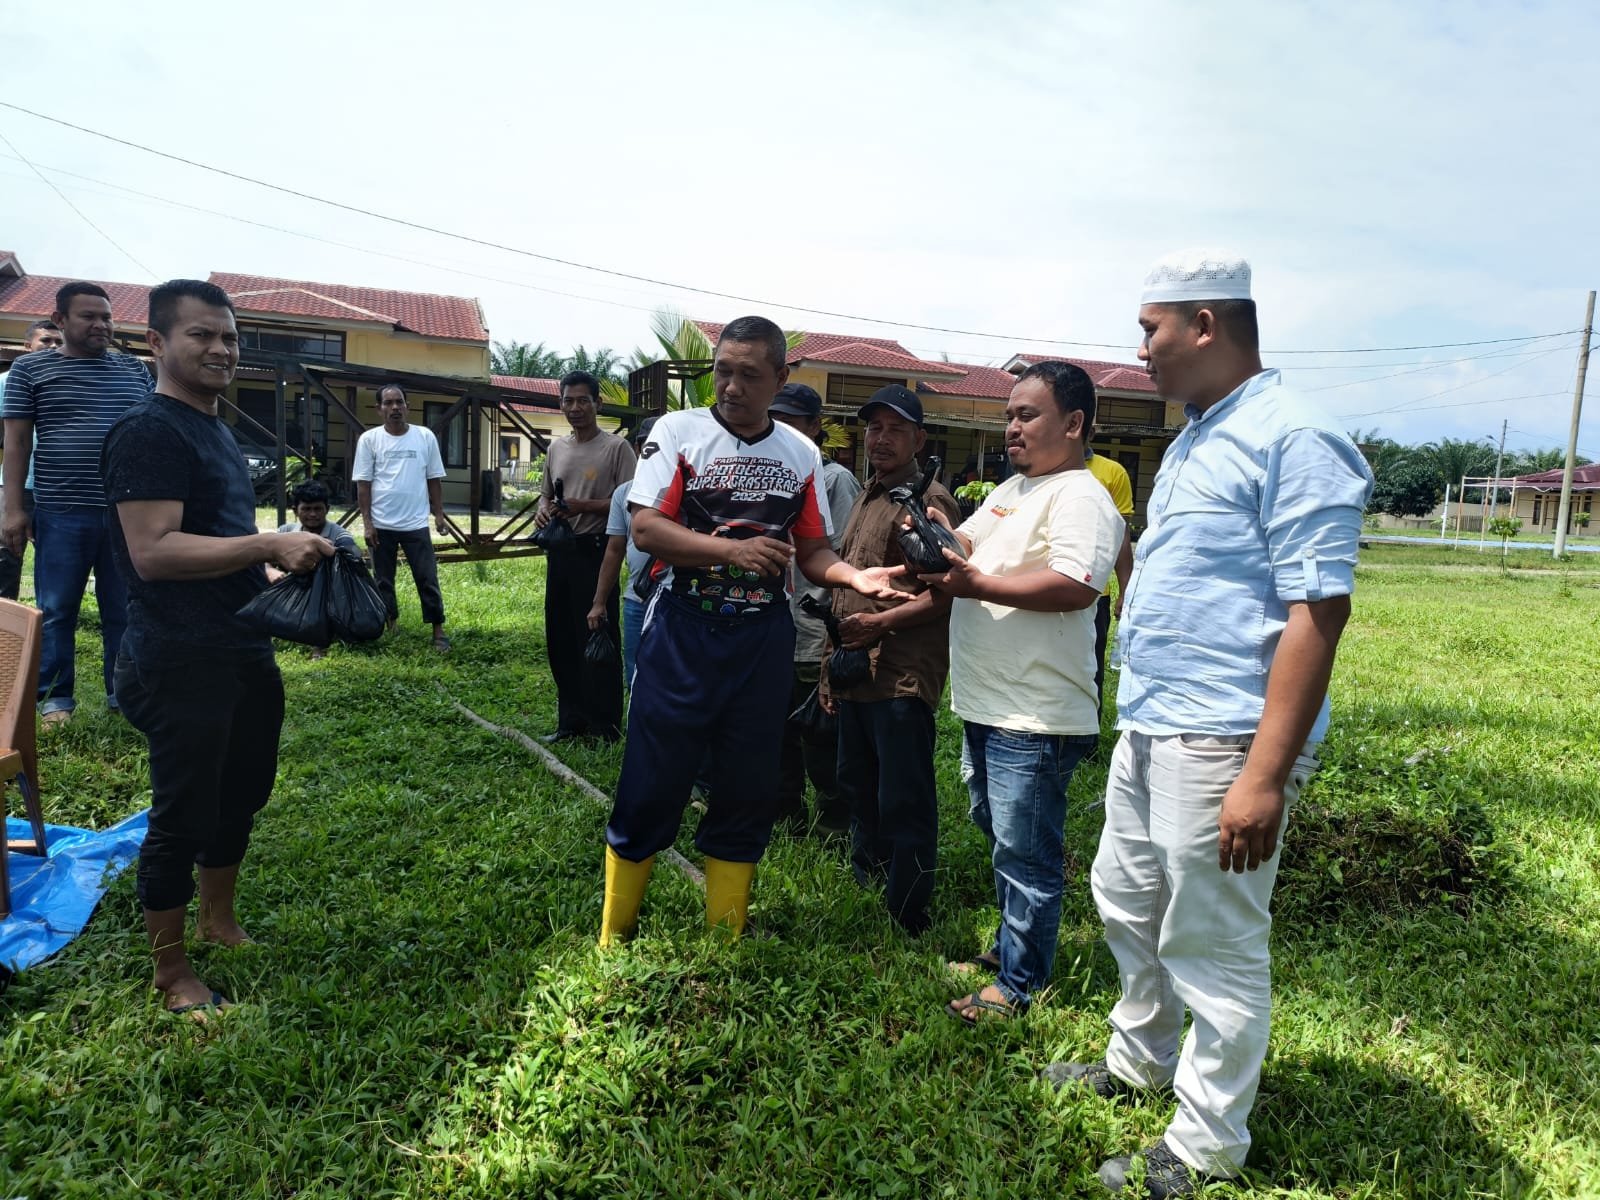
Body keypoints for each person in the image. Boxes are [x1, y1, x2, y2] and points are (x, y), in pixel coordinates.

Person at [1045, 251, 1374, 1199]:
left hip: (1226, 734)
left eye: (1150, 328)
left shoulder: (1294, 435)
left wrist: (1263, 776)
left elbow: (1319, 610)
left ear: (1204, 324)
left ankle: (1204, 1145)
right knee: (1126, 897)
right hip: (1156, 721)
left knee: (1214, 937)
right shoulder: (1196, 437)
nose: (1139, 349)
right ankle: (1139, 1060)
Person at [598, 315, 905, 947]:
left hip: (761, 640)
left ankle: (726, 933)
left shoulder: (800, 454)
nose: (732, 387)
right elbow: (647, 529)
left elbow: (813, 549)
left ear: (780, 377)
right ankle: (615, 932)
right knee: (653, 776)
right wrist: (728, 552)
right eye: (723, 371)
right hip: (681, 630)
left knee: (748, 780)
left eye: (749, 374)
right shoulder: (679, 432)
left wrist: (855, 577)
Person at [101, 279, 334, 1017]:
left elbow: (215, 538)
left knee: (244, 791)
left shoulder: (214, 428)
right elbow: (153, 551)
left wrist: (268, 565)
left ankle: (218, 919)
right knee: (185, 809)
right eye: (202, 335)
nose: (221, 349)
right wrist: (265, 540)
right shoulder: (149, 431)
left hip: (241, 642)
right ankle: (171, 974)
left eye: (229, 337)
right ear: (156, 344)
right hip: (178, 653)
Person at [917, 361, 1123, 1024]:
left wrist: (975, 585)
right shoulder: (1013, 489)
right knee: (1001, 834)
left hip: (1033, 712)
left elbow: (1078, 584)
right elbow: (966, 544)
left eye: (1027, 414)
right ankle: (1013, 949)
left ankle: (1019, 985)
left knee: (1024, 850)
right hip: (988, 701)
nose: (1012, 426)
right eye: (1010, 414)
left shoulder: (1081, 496)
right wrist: (930, 539)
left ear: (1074, 423)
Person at [822, 384, 958, 934]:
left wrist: (880, 625)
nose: (880, 439)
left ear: (919, 439)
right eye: (873, 428)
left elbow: (945, 592)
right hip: (856, 668)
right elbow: (848, 587)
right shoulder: (869, 493)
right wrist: (834, 662)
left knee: (904, 797)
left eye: (894, 429)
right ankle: (868, 880)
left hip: (901, 674)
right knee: (859, 782)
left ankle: (909, 910)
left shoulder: (929, 501)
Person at [2, 284, 150, 725]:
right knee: (56, 609)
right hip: (61, 511)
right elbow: (16, 443)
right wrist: (12, 509)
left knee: (123, 608)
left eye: (106, 316)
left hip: (126, 514)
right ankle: (55, 700)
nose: (101, 324)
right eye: (89, 316)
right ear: (60, 320)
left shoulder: (134, 371)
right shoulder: (30, 370)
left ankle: (122, 694)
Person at [769, 382, 860, 836]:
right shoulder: (773, 475)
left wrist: (835, 632)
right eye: (776, 419)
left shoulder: (833, 479)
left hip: (814, 631)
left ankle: (834, 826)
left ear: (814, 427)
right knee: (780, 732)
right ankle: (787, 814)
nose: (782, 429)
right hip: (773, 630)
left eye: (793, 421)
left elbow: (846, 558)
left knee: (821, 737)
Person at [537, 370, 636, 742]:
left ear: (598, 403)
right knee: (561, 637)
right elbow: (546, 493)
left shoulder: (616, 449)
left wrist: (584, 505)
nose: (575, 408)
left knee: (598, 636)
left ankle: (604, 726)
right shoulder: (557, 448)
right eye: (568, 401)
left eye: (582, 400)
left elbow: (629, 499)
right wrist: (543, 510)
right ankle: (570, 723)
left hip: (597, 554)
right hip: (560, 553)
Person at [352, 384, 449, 651]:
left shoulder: (424, 437)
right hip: (381, 525)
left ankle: (438, 631)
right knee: (383, 579)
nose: (395, 407)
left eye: (399, 402)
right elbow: (363, 484)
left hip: (416, 524)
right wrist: (368, 524)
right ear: (379, 409)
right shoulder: (369, 440)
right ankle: (391, 624)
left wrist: (438, 515)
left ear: (407, 406)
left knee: (427, 577)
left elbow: (434, 479)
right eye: (388, 403)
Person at [588, 416, 656, 688]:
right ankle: (638, 729)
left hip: (676, 602)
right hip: (637, 599)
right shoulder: (624, 494)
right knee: (635, 671)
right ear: (639, 450)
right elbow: (614, 551)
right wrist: (599, 602)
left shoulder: (687, 493)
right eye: (649, 446)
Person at [0, 321, 64, 600]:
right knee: (6, 557)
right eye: (46, 341)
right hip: (17, 486)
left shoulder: (65, 382)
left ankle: (44, 631)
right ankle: (6, 631)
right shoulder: (4, 383)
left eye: (58, 342)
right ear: (27, 346)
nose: (52, 347)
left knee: (56, 564)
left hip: (57, 488)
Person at [273, 478, 357, 659]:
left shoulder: (339, 533)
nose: (312, 514)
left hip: (330, 594)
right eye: (306, 509)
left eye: (318, 509)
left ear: (326, 509)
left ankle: (319, 645)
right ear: (295, 511)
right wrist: (271, 572)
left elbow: (352, 554)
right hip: (295, 589)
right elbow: (260, 556)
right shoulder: (285, 531)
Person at [1083, 443, 1135, 711]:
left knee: (1091, 667)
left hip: (1094, 594)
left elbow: (1121, 536)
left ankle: (1087, 743)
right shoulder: (1037, 468)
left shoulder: (1112, 472)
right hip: (1043, 588)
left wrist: (1126, 592)